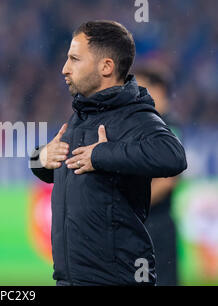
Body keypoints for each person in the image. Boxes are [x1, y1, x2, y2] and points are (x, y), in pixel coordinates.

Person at [29, 20, 187, 285]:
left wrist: (101, 155)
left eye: (74, 59)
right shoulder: (82, 114)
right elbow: (58, 164)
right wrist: (42, 158)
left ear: (106, 67)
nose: (64, 69)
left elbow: (173, 155)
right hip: (71, 279)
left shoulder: (134, 116)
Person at [135, 68, 181, 286]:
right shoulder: (150, 125)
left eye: (142, 89)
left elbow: (168, 180)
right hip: (147, 224)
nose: (136, 95)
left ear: (159, 91)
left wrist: (130, 204)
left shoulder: (167, 126)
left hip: (157, 223)